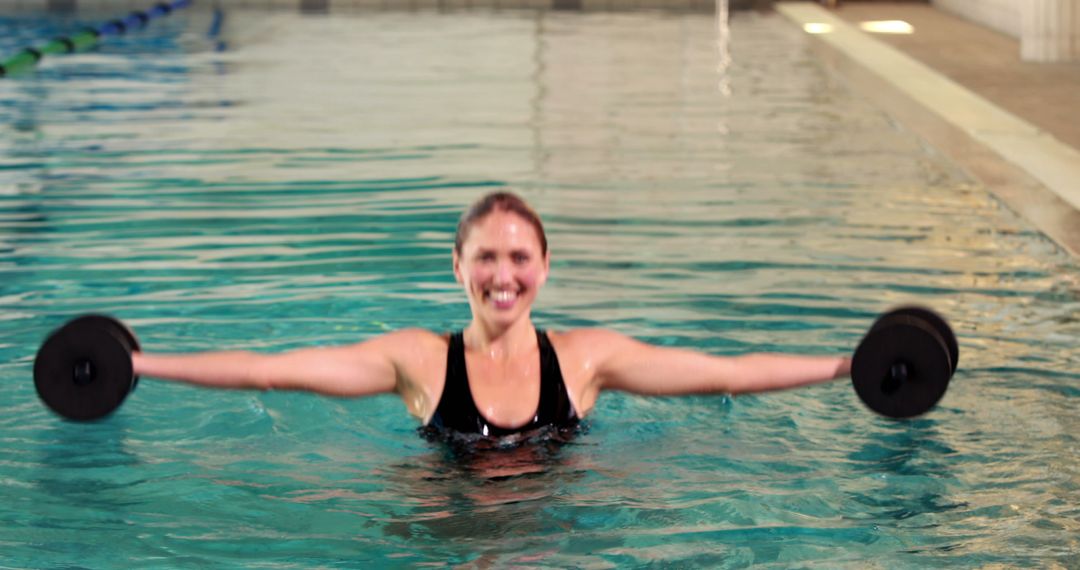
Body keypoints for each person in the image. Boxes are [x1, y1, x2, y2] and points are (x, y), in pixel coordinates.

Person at [132, 191, 851, 442]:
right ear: (457, 266)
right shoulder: (416, 362)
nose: (501, 277)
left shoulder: (585, 360)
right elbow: (268, 372)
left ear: (544, 265)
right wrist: (134, 364)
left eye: (517, 258)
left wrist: (849, 368)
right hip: (446, 535)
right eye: (484, 258)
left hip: (557, 534)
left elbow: (723, 373)